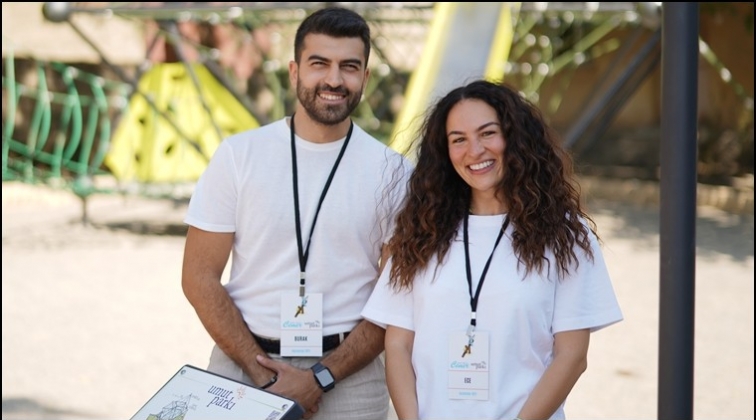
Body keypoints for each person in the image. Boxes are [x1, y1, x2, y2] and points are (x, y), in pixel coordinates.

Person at [181, 6, 410, 420]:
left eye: (349, 67)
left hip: (350, 378)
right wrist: (263, 374)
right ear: (294, 71)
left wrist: (320, 377)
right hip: (243, 362)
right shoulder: (238, 156)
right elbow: (198, 277)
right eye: (319, 63)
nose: (334, 79)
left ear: (365, 78)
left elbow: (394, 296)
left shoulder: (394, 173)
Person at [362, 80, 624, 420]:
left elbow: (571, 357)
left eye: (487, 133)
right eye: (458, 139)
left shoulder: (564, 236)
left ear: (515, 138)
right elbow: (398, 345)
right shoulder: (420, 231)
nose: (474, 150)